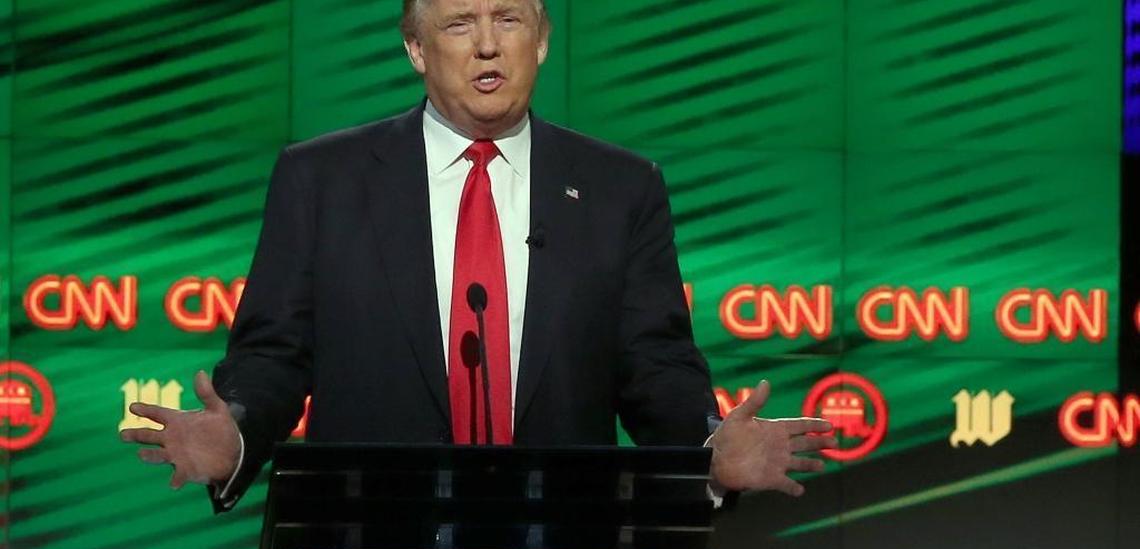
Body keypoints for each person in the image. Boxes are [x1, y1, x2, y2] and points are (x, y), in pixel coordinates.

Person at [120, 0, 836, 510]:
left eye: (510, 20)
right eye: (460, 23)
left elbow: (655, 369)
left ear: (543, 40)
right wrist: (238, 434)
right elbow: (274, 357)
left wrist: (707, 450)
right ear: (416, 48)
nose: (487, 45)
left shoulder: (621, 188)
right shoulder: (323, 181)